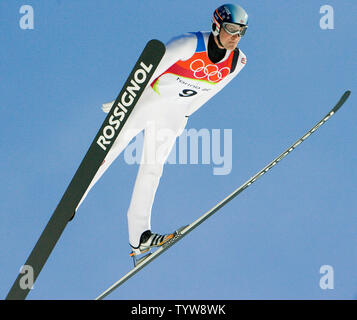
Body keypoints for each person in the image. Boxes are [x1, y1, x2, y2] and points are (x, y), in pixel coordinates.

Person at [76, 4, 249, 257]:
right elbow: (148, 71)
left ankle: (140, 236)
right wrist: (124, 101)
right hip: (149, 99)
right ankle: (73, 201)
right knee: (112, 146)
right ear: (216, 25)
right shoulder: (187, 44)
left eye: (241, 32)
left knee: (153, 168)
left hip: (173, 113)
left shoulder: (237, 61)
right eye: (231, 29)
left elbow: (211, 92)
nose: (235, 36)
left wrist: (184, 115)